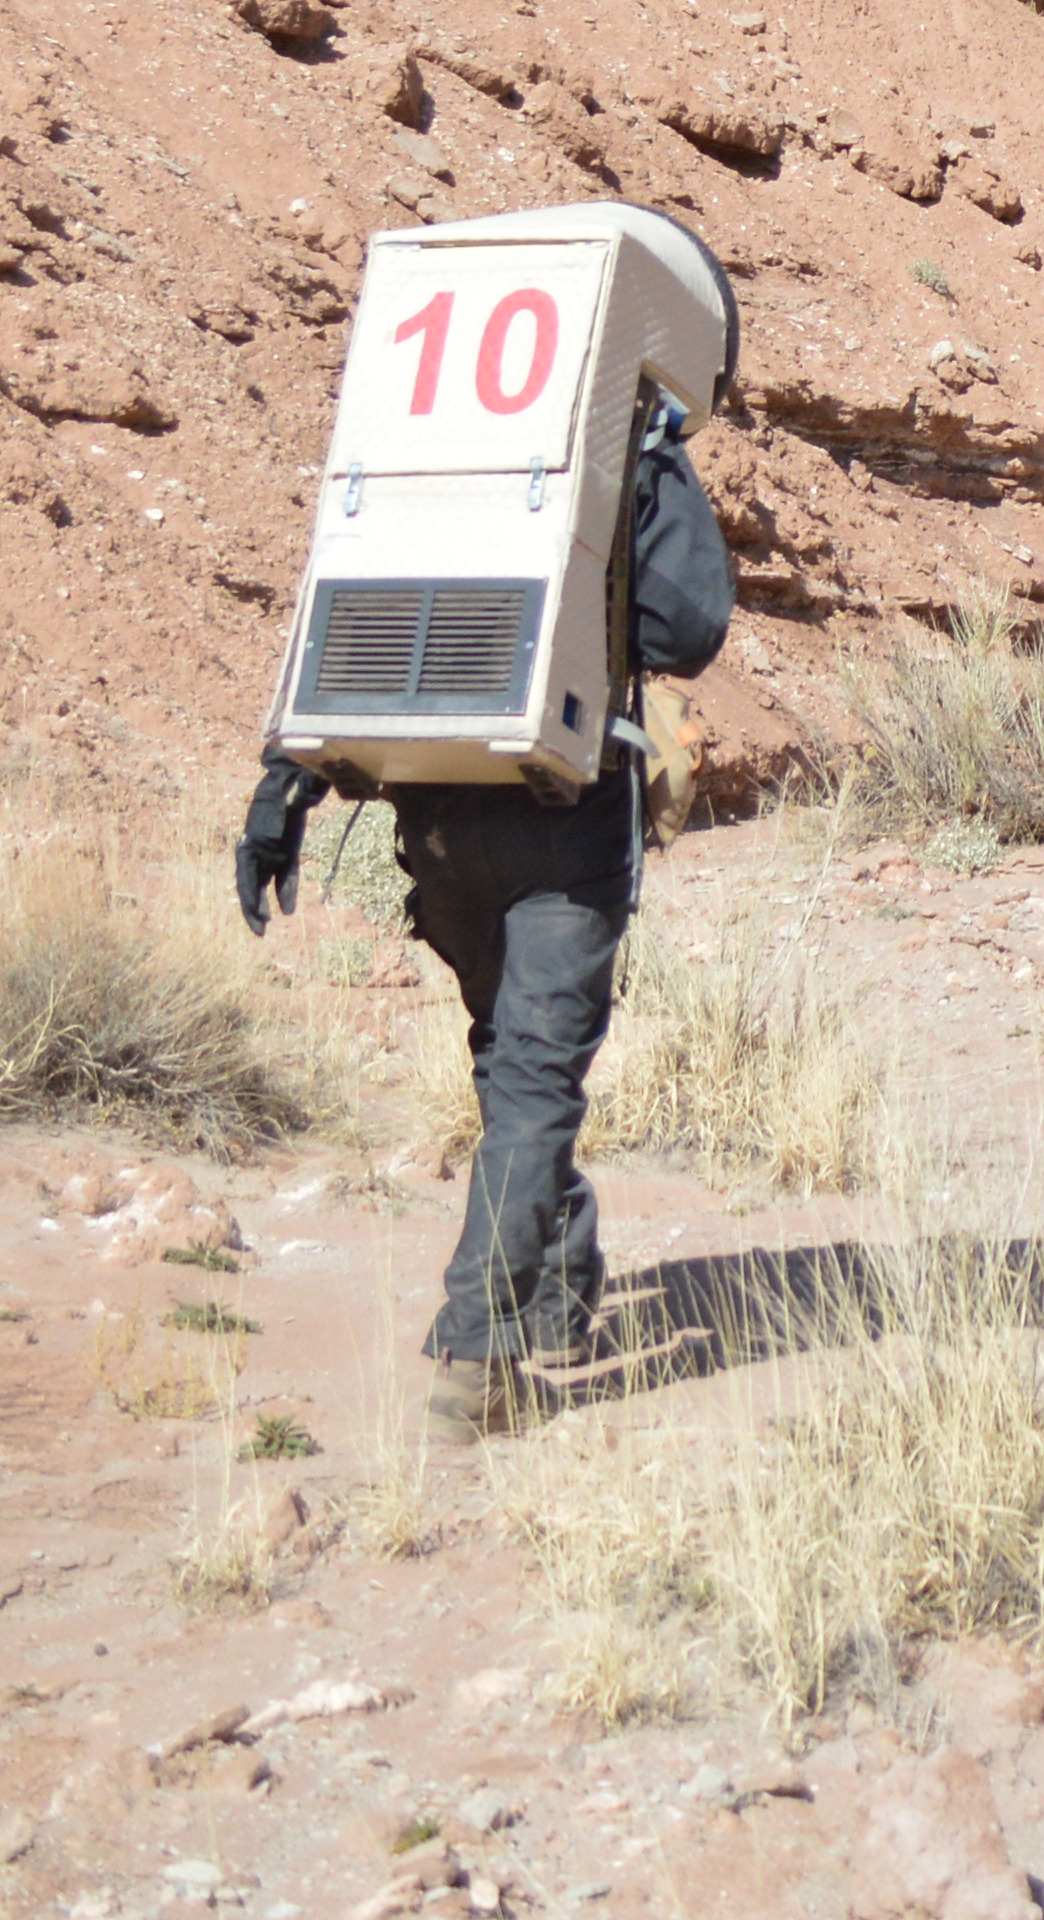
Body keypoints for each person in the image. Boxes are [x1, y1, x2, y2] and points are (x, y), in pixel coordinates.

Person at [237, 371, 734, 1405]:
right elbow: (687, 625)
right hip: (563, 814)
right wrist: (658, 462)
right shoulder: (611, 447)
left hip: (439, 818)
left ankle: (554, 1279)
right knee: (532, 1081)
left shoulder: (431, 457)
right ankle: (480, 1349)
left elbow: (353, 615)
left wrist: (284, 783)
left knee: (511, 1064)